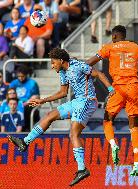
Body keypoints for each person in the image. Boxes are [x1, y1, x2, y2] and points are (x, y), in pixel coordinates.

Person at [8, 48, 113, 186]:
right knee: (49, 116)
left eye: (53, 63)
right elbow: (63, 92)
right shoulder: (63, 72)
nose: (52, 66)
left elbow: (98, 73)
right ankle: (25, 142)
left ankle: (82, 169)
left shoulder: (78, 66)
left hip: (87, 101)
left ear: (61, 60)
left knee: (73, 134)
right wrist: (43, 100)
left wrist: (111, 90)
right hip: (76, 102)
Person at [86, 25, 138, 176]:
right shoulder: (136, 47)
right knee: (133, 124)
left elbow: (90, 62)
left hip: (118, 88)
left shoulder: (109, 47)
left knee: (107, 120)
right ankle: (136, 163)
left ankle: (113, 144)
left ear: (115, 36)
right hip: (133, 86)